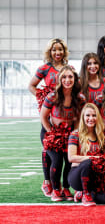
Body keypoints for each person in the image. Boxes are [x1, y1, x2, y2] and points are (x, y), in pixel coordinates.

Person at [28, 38, 69, 197]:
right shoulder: (44, 68)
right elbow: (31, 86)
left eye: (60, 49)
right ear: (49, 52)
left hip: (65, 116)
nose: (57, 53)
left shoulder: (69, 69)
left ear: (64, 52)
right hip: (50, 115)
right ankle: (48, 182)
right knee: (49, 149)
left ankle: (62, 186)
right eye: (54, 50)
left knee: (65, 156)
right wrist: (43, 97)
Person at [40, 66, 85, 201]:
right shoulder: (53, 96)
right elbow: (43, 117)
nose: (67, 80)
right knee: (57, 159)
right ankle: (55, 189)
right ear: (60, 79)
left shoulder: (79, 98)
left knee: (69, 160)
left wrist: (75, 135)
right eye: (64, 77)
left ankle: (66, 188)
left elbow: (78, 119)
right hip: (50, 131)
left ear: (75, 79)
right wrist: (52, 134)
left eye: (70, 77)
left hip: (69, 133)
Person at [68, 103, 105, 206]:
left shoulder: (101, 135)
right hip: (77, 174)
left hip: (94, 176)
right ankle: (85, 194)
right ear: (83, 117)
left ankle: (85, 192)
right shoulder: (75, 134)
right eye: (88, 115)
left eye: (94, 115)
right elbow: (71, 158)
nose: (91, 118)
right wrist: (93, 158)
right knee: (87, 162)